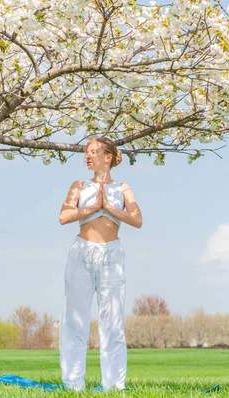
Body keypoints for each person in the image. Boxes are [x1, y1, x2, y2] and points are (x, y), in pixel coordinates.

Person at [58, 137, 143, 391]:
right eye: (86, 152)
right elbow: (64, 216)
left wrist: (109, 208)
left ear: (108, 157)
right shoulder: (79, 186)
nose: (88, 155)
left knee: (113, 322)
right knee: (74, 320)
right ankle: (73, 385)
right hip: (81, 253)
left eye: (93, 151)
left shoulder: (124, 188)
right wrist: (93, 207)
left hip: (112, 255)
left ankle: (114, 387)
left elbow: (137, 220)